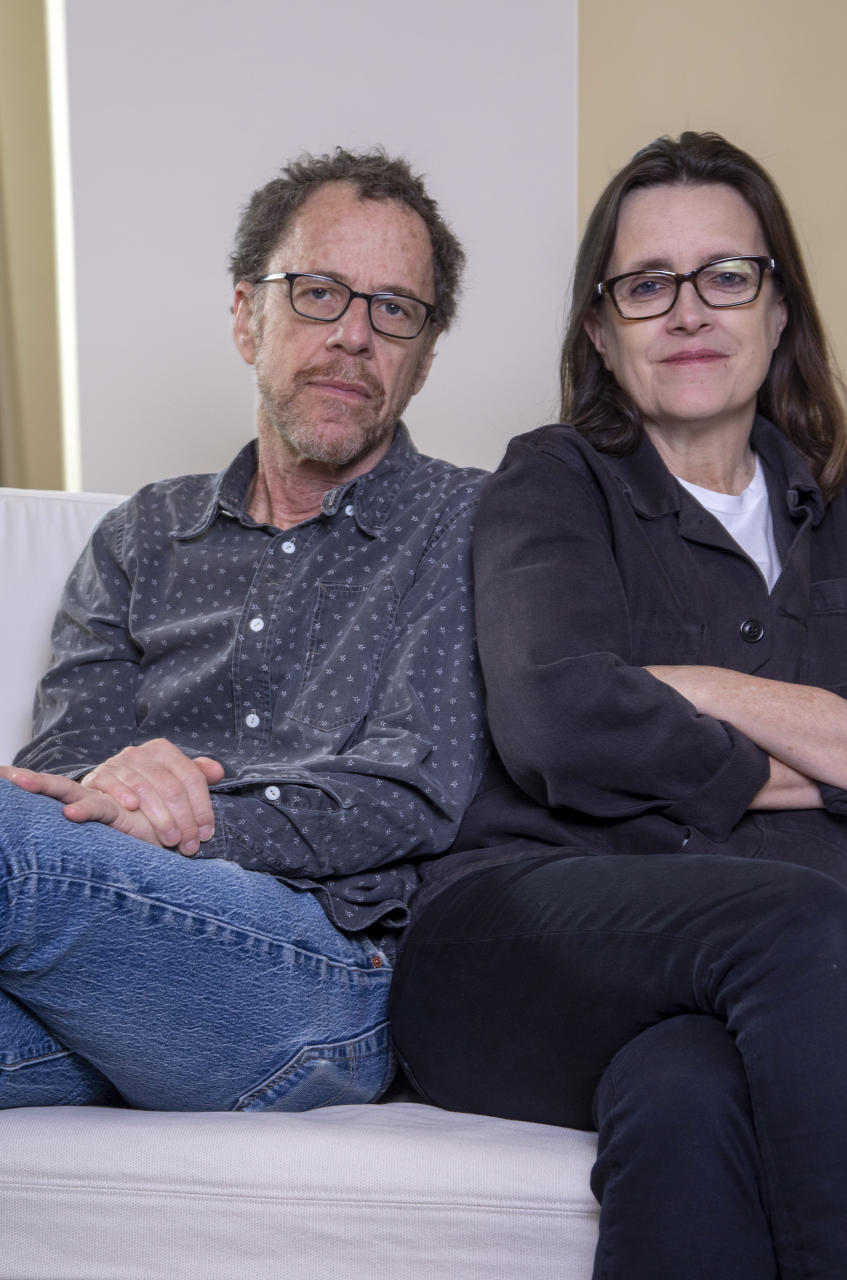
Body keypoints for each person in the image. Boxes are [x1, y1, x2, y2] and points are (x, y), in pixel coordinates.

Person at [389, 132, 847, 1278]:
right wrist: (843, 730)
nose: (689, 310)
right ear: (602, 329)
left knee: (688, 1091)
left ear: (778, 307)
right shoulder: (549, 479)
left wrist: (694, 688)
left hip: (732, 998)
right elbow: (558, 718)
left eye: (726, 276)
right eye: (647, 284)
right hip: (514, 945)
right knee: (797, 922)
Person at [0, 148, 486, 1112]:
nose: (354, 336)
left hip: (328, 983)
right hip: (125, 966)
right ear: (245, 315)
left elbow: (414, 790)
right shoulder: (143, 534)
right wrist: (125, 798)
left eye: (394, 309)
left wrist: (197, 817)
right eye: (318, 293)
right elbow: (67, 771)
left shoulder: (470, 524)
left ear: (423, 357)